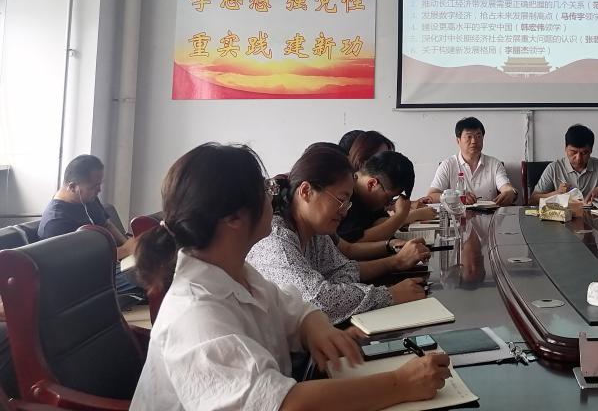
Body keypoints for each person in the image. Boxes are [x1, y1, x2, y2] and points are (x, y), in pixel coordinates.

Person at [131, 142, 449, 411]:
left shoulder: (234, 271)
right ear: (233, 217)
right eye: (265, 190)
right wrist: (400, 384)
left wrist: (313, 326)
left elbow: (291, 305)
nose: (274, 196)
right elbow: (283, 405)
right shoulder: (196, 317)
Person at [247, 143, 429, 324]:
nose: (345, 211)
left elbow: (343, 269)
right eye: (341, 200)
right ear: (306, 191)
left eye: (348, 203)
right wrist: (389, 295)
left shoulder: (315, 232)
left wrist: (394, 264)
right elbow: (318, 300)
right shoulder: (277, 240)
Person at [39, 154, 141, 295]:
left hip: (109, 263)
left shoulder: (87, 199)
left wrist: (131, 247)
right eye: (94, 186)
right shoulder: (56, 222)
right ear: (72, 187)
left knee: (158, 265)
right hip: (83, 278)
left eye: (99, 184)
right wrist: (124, 250)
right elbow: (79, 262)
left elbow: (106, 224)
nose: (99, 190)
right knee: (150, 277)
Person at [426, 117, 517, 206]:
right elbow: (431, 195)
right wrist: (456, 197)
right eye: (469, 137)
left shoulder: (495, 164)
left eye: (478, 136)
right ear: (458, 140)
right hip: (456, 214)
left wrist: (510, 192)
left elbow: (506, 187)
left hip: (489, 214)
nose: (474, 141)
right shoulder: (447, 165)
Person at [531, 124, 598, 205]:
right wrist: (557, 193)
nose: (578, 158)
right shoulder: (554, 168)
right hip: (564, 217)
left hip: (593, 217)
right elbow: (532, 200)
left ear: (591, 150)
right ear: (565, 148)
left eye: (584, 153)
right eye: (573, 152)